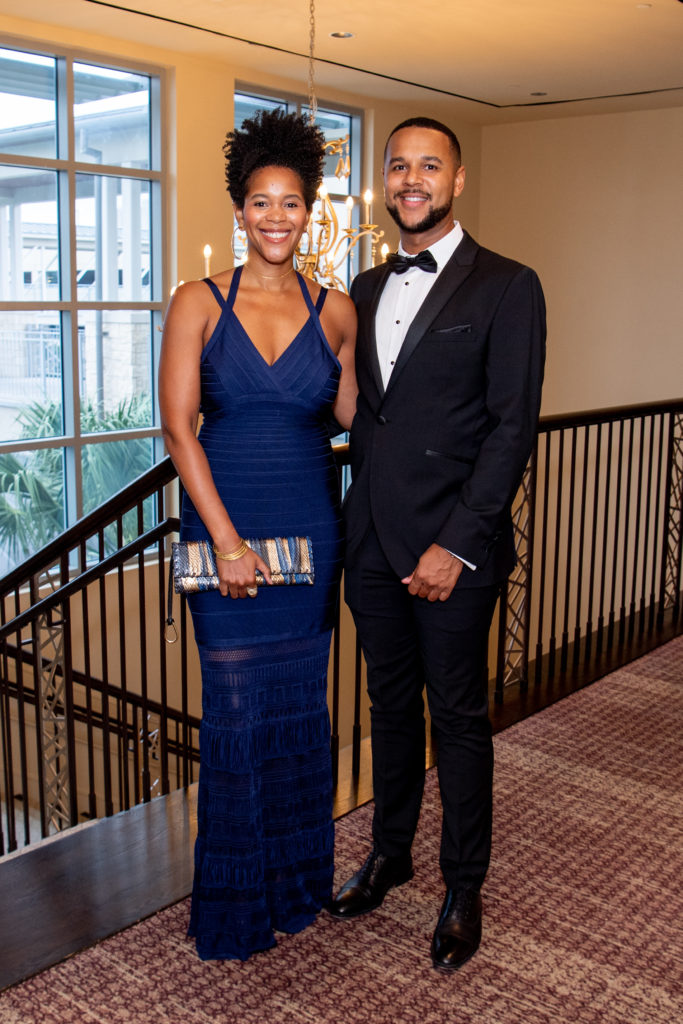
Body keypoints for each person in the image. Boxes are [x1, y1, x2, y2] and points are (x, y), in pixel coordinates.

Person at [327, 117, 546, 971]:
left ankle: (462, 885)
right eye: (397, 166)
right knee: (387, 709)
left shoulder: (507, 285)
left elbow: (509, 429)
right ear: (384, 183)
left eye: (428, 166)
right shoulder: (367, 283)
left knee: (455, 717)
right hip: (371, 545)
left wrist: (455, 545)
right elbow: (364, 414)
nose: (410, 179)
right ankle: (388, 854)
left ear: (457, 180)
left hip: (451, 552)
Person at [159, 108, 357, 961]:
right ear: (239, 211)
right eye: (259, 202)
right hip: (225, 528)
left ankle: (297, 884)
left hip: (311, 533)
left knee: (299, 714)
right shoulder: (197, 301)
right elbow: (176, 430)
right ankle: (239, 904)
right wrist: (229, 543)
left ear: (309, 211)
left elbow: (355, 418)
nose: (276, 217)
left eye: (291, 203)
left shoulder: (338, 311)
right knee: (237, 718)